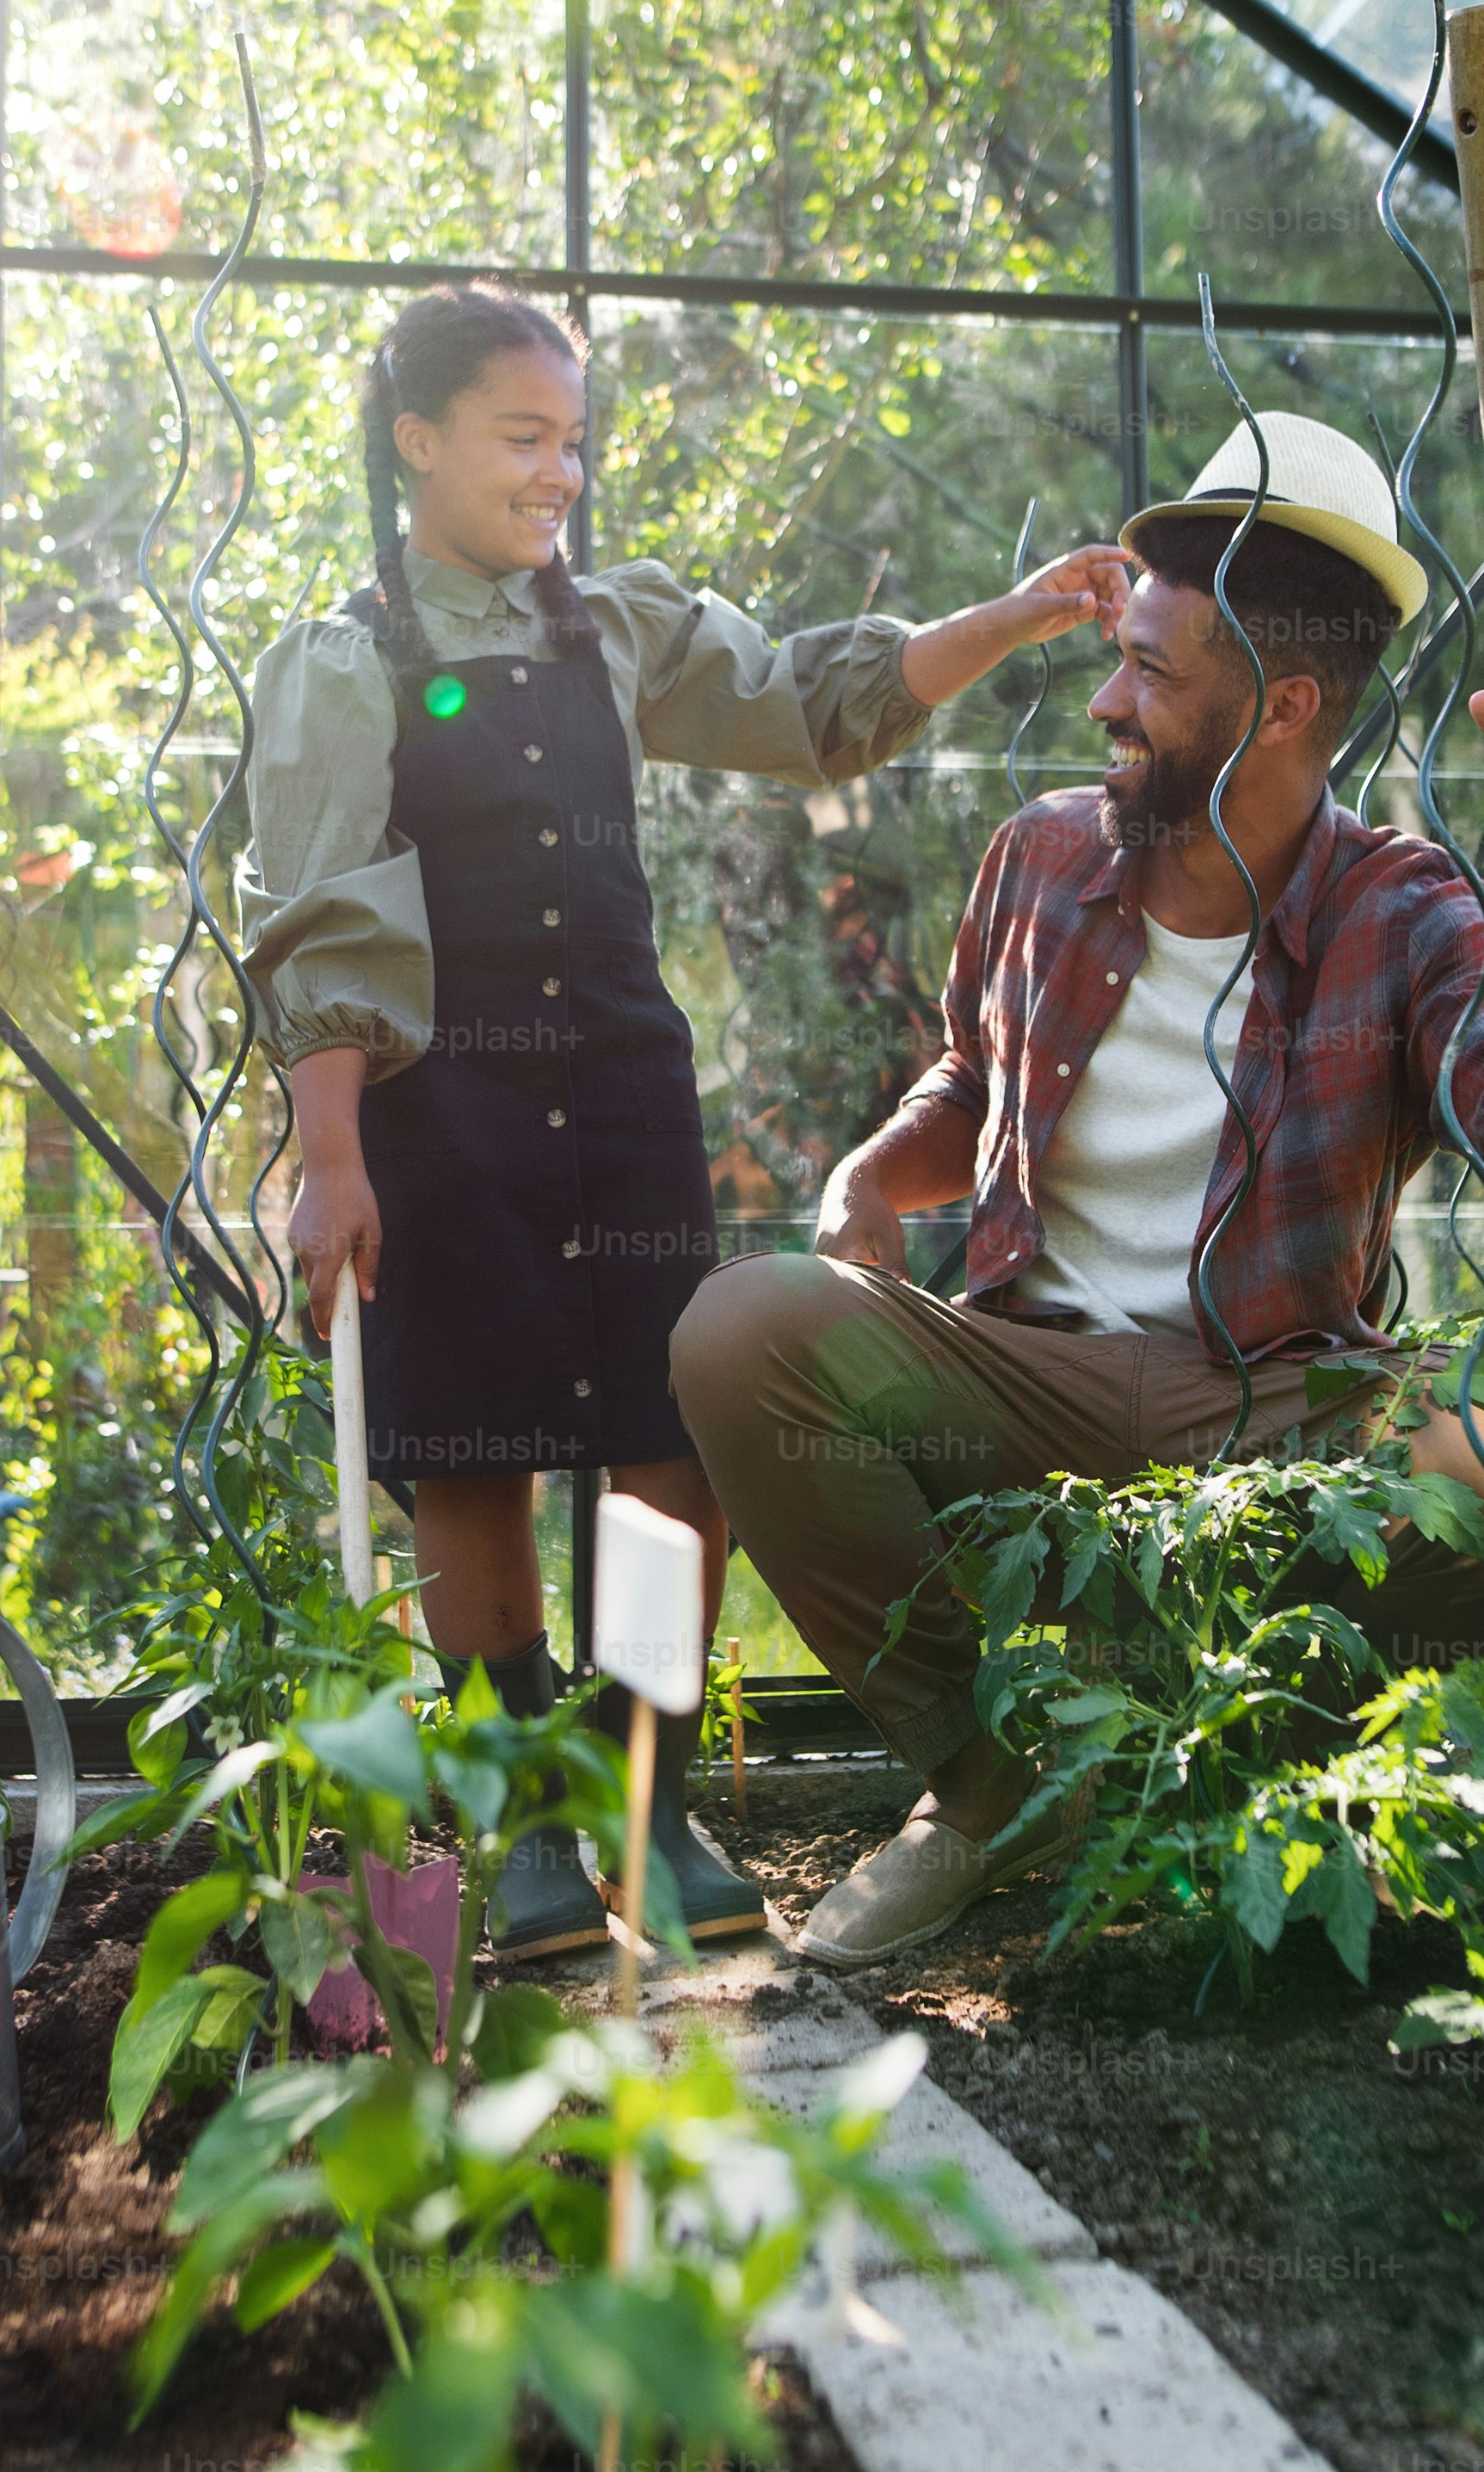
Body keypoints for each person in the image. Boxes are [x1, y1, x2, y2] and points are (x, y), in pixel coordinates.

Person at [666, 409, 1484, 1970]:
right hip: (1028, 1381)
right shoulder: (1042, 859)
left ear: (1282, 706)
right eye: (1116, 658)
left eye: (1149, 674)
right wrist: (873, 1171)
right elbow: (973, 1088)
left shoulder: (1408, 906)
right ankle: (995, 1792)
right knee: (741, 1331)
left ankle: (1265, 1775)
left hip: (1274, 1399)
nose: (1108, 704)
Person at [240, 280, 1135, 1958]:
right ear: (415, 441)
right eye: (523, 437)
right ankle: (512, 1816)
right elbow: (323, 916)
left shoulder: (617, 627)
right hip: (445, 1114)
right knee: (476, 1452)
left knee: (663, 1455)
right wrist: (333, 1157)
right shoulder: (348, 661)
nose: (558, 472)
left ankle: (644, 1794)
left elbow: (806, 705)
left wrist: (1013, 616)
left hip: (628, 1094)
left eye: (572, 441)